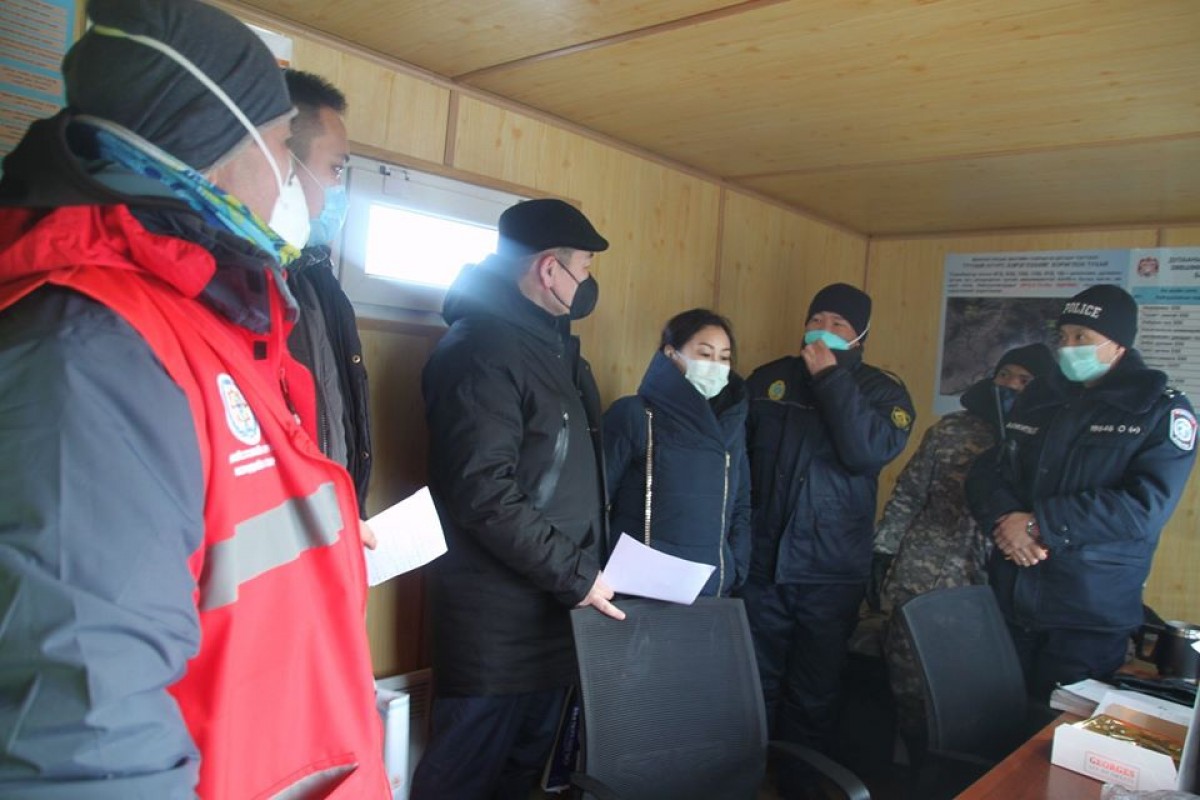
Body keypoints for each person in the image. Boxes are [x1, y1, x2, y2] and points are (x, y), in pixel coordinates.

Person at [0, 1, 388, 798]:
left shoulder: (214, 314)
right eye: (282, 143)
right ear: (216, 144)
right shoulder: (91, 351)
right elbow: (85, 740)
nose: (292, 177)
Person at [413, 198, 624, 799]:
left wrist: (579, 576)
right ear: (549, 269)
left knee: (521, 780)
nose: (588, 284)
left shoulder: (551, 348)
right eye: (584, 268)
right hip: (496, 634)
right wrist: (575, 574)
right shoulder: (481, 349)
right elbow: (483, 491)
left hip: (552, 615)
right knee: (462, 781)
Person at [967, 285, 1197, 700]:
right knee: (991, 718)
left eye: (1082, 338)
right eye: (1063, 336)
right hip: (1011, 597)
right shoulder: (1041, 397)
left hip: (1087, 615)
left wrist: (1039, 524)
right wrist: (1005, 519)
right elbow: (990, 470)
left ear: (1119, 344)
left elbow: (1143, 507)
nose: (1068, 348)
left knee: (1060, 730)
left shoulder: (1157, 409)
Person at [742, 282, 915, 764]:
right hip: (763, 566)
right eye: (816, 319)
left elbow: (866, 453)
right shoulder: (770, 379)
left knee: (814, 690)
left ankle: (799, 780)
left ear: (860, 335)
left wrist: (831, 378)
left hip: (830, 571)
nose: (824, 329)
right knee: (754, 681)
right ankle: (747, 777)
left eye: (839, 323)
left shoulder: (884, 392)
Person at [872, 343, 1054, 744]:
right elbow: (910, 492)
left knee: (974, 694)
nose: (1010, 385)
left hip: (990, 580)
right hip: (924, 569)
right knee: (910, 681)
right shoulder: (952, 429)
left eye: (1024, 380)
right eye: (1004, 375)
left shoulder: (1047, 440)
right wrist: (884, 550)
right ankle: (912, 764)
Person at [603, 308, 751, 596]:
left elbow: (740, 504)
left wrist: (736, 566)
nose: (716, 366)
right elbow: (596, 499)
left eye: (724, 357)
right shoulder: (634, 414)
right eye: (705, 354)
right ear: (671, 354)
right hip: (638, 587)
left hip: (711, 588)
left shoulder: (731, 425)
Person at [282, 69, 374, 512]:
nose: (339, 189)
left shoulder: (318, 276)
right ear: (282, 161)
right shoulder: (244, 283)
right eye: (335, 169)